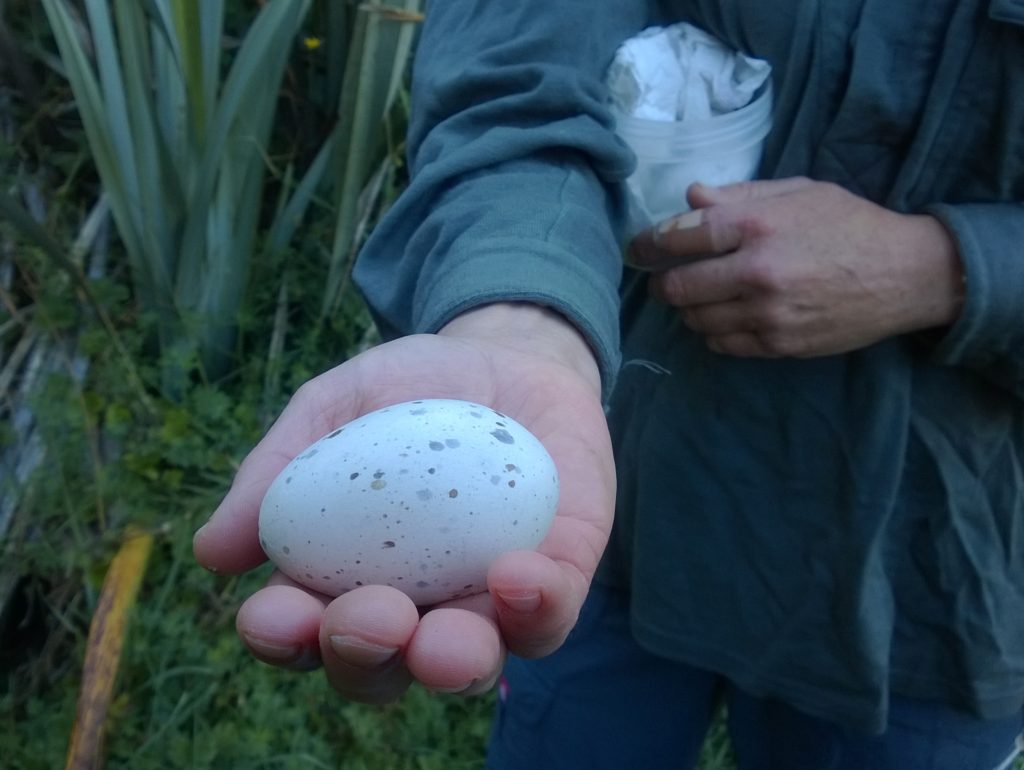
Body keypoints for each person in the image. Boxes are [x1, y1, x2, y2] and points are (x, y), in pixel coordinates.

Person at [193, 1, 1024, 767]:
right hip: (615, 513)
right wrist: (520, 313)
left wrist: (951, 269)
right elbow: (519, 73)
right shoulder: (544, 513)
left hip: (938, 582)